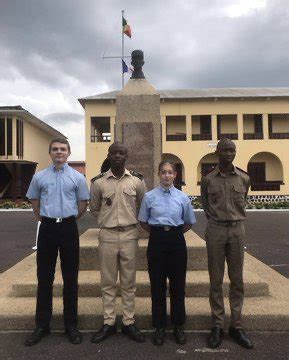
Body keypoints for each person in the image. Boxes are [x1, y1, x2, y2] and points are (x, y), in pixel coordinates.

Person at [24, 138, 90, 346]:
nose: (59, 152)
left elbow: (82, 203)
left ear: (69, 153)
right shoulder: (40, 177)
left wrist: (68, 219)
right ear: (50, 153)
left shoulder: (78, 177)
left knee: (71, 278)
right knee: (44, 277)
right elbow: (35, 202)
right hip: (48, 229)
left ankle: (71, 325)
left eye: (63, 149)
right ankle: (42, 325)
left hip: (69, 228)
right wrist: (45, 218)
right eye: (55, 149)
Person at [90, 142, 147, 343]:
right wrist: (108, 222)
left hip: (130, 234)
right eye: (114, 153)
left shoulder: (137, 182)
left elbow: (143, 206)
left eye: (121, 153)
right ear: (109, 155)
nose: (117, 156)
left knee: (128, 282)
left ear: (126, 156)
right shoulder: (98, 182)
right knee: (107, 281)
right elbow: (94, 208)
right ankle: (109, 322)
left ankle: (129, 322)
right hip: (107, 236)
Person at [201, 138, 254, 349]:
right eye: (224, 150)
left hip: (237, 230)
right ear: (217, 153)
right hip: (215, 229)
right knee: (216, 279)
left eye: (232, 150)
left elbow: (244, 200)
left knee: (237, 279)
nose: (229, 153)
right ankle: (217, 325)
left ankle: (236, 325)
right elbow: (205, 203)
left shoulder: (243, 178)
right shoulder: (208, 179)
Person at [138, 161, 196, 346]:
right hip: (156, 241)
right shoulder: (149, 197)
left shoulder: (182, 198)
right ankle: (160, 327)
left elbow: (188, 222)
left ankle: (178, 325)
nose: (167, 176)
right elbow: (143, 221)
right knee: (157, 285)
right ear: (158, 174)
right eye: (163, 172)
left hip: (177, 241)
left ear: (175, 175)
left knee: (178, 286)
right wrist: (159, 233)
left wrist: (172, 233)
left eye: (170, 172)